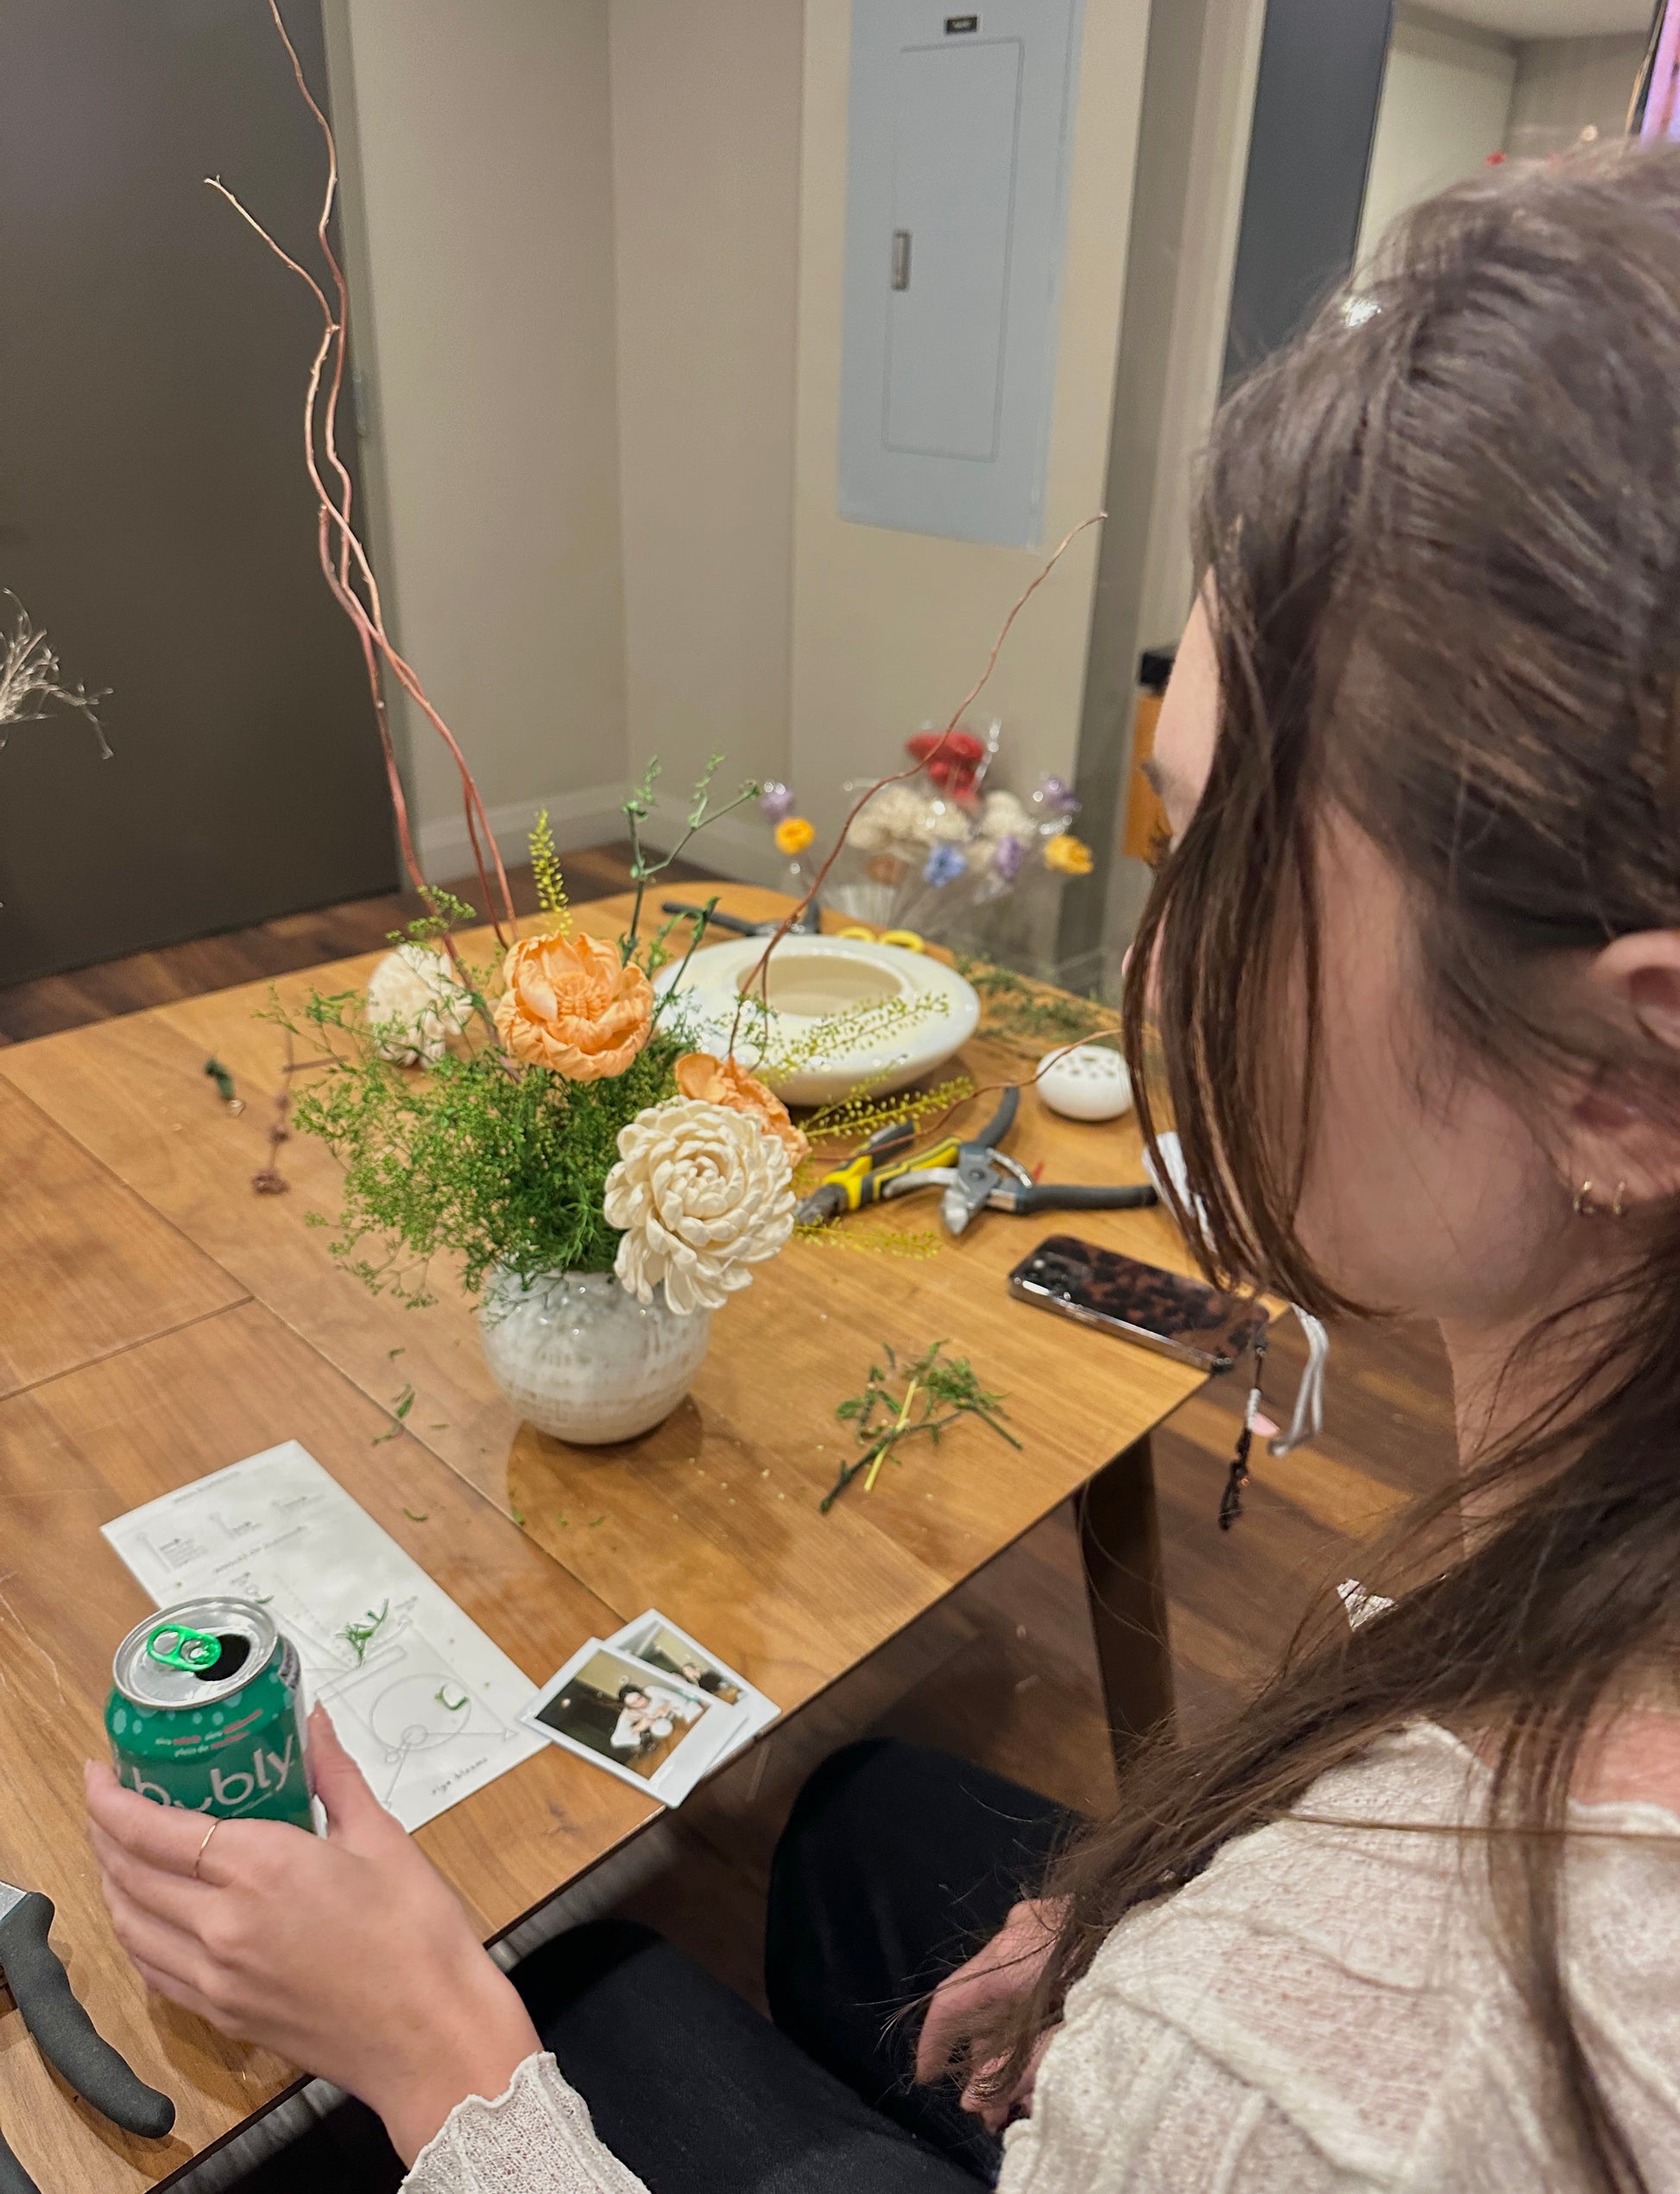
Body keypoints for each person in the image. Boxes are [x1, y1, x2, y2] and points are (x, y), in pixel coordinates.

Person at [84, 143, 1680, 2191]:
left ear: (1630, 1078)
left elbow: (1274, 2077)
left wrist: (434, 2050)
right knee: (852, 1835)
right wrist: (1127, 1930)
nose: (1148, 969)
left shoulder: (1318, 2087)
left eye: (1214, 860)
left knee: (589, 1983)